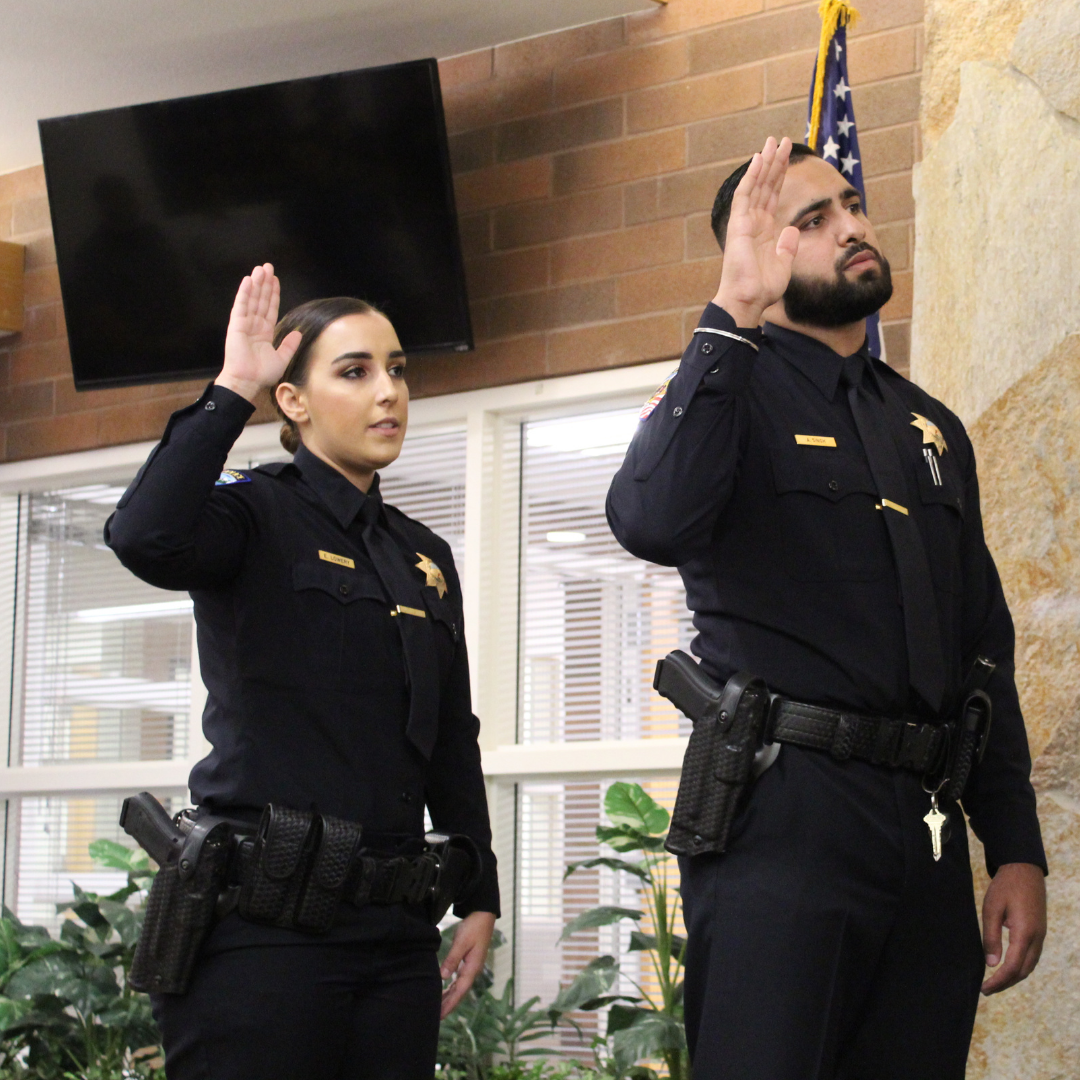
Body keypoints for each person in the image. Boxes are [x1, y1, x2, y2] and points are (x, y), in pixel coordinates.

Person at [606, 138, 1047, 1079]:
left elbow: (982, 649)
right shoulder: (726, 388)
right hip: (785, 815)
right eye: (811, 220)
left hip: (923, 825)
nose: (851, 225)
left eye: (852, 205)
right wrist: (730, 314)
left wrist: (1013, 846)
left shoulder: (929, 426)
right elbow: (649, 518)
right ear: (756, 250)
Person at [105, 264, 498, 1080]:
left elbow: (450, 732)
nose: (388, 391)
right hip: (263, 932)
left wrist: (480, 892)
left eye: (396, 369)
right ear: (294, 401)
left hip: (391, 938)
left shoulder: (424, 555)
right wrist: (232, 389)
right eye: (354, 372)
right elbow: (143, 536)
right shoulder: (253, 513)